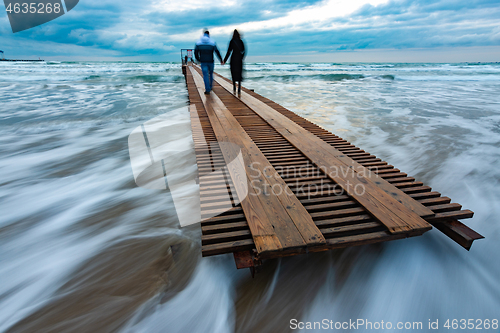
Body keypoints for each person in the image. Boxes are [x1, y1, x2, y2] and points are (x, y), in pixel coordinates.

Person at [223, 30, 245, 94]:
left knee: (233, 71)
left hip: (233, 58)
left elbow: (229, 51)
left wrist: (224, 60)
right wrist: (242, 57)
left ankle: (234, 87)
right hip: (239, 58)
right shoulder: (241, 41)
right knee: (239, 72)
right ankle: (239, 87)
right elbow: (244, 50)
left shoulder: (232, 41)